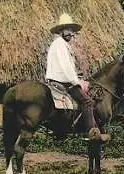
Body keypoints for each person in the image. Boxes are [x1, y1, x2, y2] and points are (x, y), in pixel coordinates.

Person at [45, 13, 110, 142]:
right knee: (88, 102)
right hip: (63, 81)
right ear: (61, 30)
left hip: (59, 79)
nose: (71, 33)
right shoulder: (61, 45)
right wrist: (77, 82)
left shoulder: (58, 44)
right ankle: (92, 133)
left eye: (72, 31)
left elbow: (66, 67)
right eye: (68, 30)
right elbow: (66, 68)